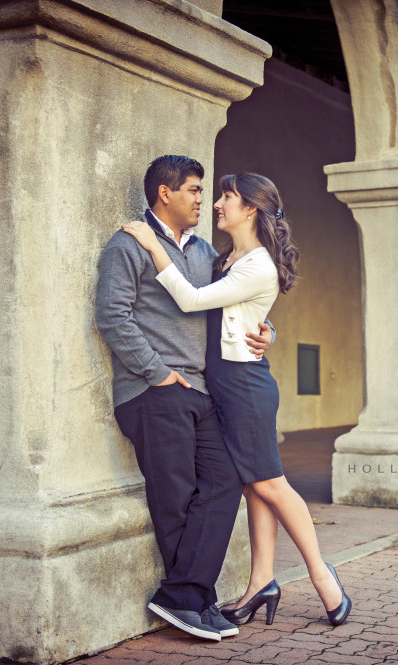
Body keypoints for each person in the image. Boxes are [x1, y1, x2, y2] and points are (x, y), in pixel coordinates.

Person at [121, 172, 352, 629]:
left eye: (227, 196)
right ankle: (262, 582)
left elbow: (191, 301)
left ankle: (322, 576)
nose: (217, 204)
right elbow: (240, 316)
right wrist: (267, 328)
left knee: (269, 484)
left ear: (250, 208)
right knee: (251, 484)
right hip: (225, 383)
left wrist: (151, 245)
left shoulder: (258, 264)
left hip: (244, 386)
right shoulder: (227, 257)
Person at [95, 155, 274, 642]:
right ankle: (194, 601)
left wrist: (267, 329)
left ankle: (184, 595)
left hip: (201, 391)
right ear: (165, 194)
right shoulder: (127, 245)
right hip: (153, 391)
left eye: (206, 191)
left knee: (225, 481)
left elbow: (233, 303)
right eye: (195, 190)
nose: (204, 199)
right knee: (175, 497)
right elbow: (112, 316)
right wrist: (156, 373)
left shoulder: (202, 254)